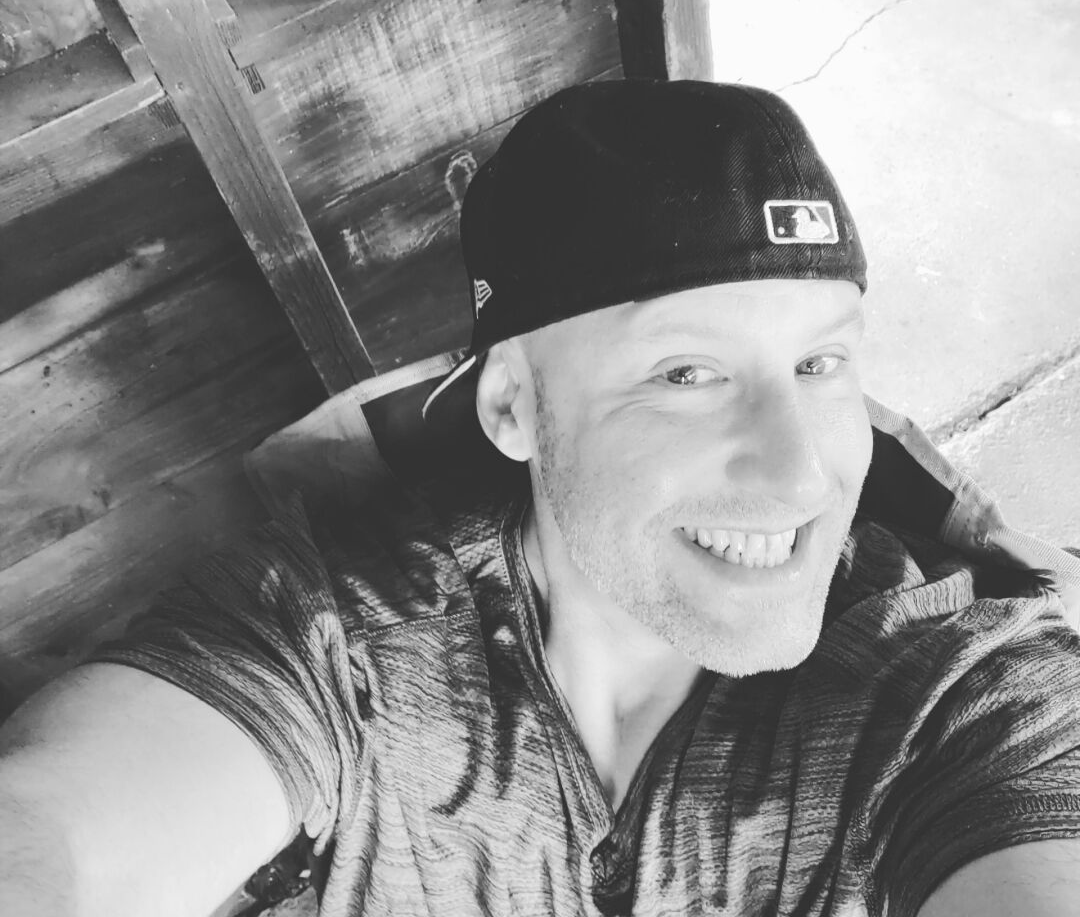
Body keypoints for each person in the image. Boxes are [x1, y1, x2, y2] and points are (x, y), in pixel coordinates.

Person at [1, 80, 1079, 917]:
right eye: (686, 374)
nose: (801, 476)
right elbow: (64, 838)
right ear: (513, 406)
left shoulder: (943, 679)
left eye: (819, 364)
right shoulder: (340, 647)